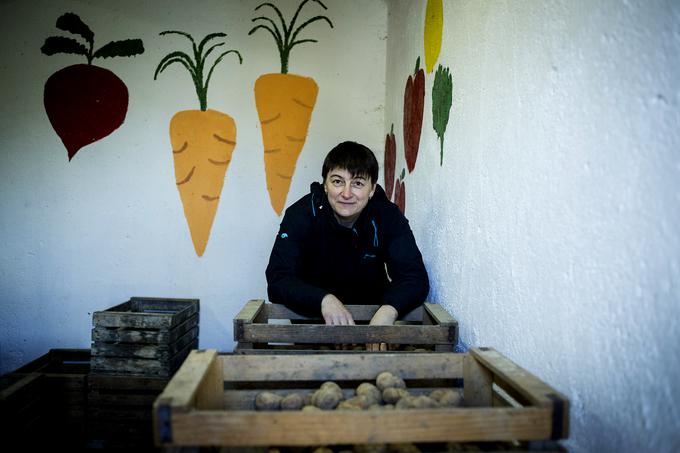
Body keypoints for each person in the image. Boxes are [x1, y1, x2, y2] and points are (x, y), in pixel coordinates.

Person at [265, 141, 429, 349]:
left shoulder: (387, 216)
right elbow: (278, 278)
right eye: (337, 181)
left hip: (371, 331)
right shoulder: (301, 215)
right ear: (325, 184)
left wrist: (389, 310)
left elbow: (414, 276)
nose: (347, 193)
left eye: (358, 183)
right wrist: (324, 300)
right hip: (314, 331)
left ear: (372, 189)